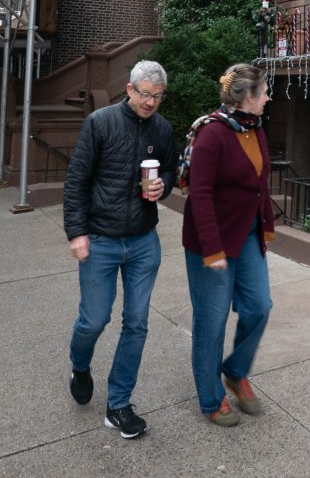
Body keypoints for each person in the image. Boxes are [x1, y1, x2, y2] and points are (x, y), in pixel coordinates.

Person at [63, 60, 176, 439]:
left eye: (158, 96)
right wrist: (77, 232)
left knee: (137, 323)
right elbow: (76, 180)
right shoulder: (100, 122)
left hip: (144, 241)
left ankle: (119, 404)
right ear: (129, 89)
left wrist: (163, 186)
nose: (151, 102)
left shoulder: (162, 129)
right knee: (94, 320)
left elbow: (170, 170)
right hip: (100, 239)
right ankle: (80, 365)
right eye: (145, 94)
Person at [182, 63, 274, 426]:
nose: (268, 98)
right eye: (264, 92)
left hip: (248, 234)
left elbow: (260, 184)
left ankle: (235, 372)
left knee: (259, 306)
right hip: (212, 240)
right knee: (212, 319)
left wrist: (266, 226)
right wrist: (212, 249)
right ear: (247, 96)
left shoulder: (255, 128)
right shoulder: (213, 134)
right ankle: (210, 398)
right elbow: (199, 194)